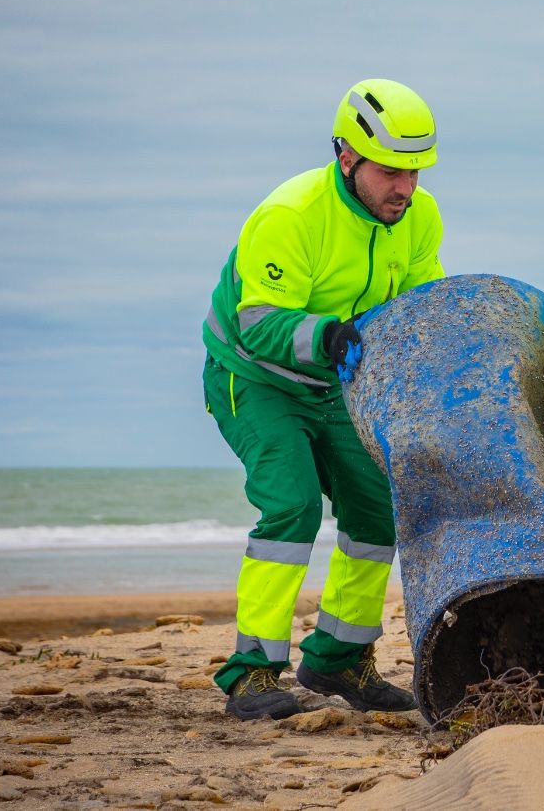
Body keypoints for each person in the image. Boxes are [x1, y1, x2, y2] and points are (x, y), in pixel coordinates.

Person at [200, 79, 444, 721]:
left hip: (336, 380)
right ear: (347, 156)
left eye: (415, 171)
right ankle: (252, 673)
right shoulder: (292, 215)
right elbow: (257, 324)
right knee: (293, 507)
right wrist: (330, 335)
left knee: (377, 512)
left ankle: (338, 658)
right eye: (391, 171)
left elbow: (420, 304)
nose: (405, 188)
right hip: (254, 377)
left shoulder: (419, 217)